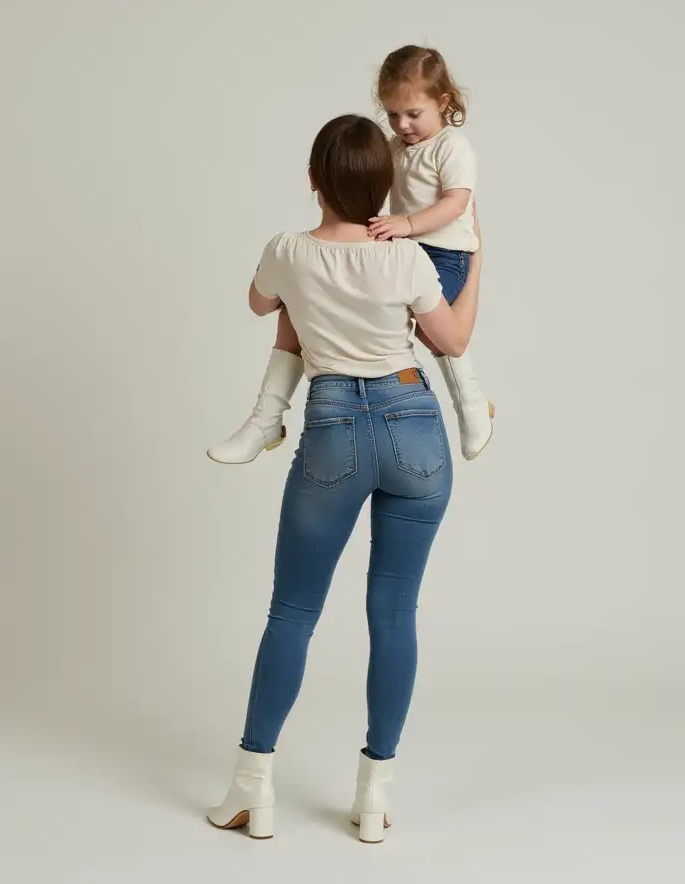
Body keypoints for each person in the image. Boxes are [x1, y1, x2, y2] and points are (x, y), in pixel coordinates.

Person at [205, 114, 484, 843]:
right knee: (394, 614)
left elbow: (261, 303)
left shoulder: (289, 250)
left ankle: (250, 789)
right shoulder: (410, 257)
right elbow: (452, 340)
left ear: (312, 180)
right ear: (386, 185)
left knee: (293, 611)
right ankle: (372, 800)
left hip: (334, 424)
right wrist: (476, 259)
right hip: (415, 424)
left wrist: (308, 289)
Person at [207, 45, 493, 465]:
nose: (402, 124)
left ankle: (472, 406)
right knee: (298, 302)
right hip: (404, 243)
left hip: (443, 252)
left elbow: (456, 204)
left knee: (434, 332)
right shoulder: (397, 146)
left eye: (413, 114)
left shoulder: (453, 148)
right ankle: (266, 418)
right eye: (393, 114)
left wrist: (414, 229)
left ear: (444, 101)